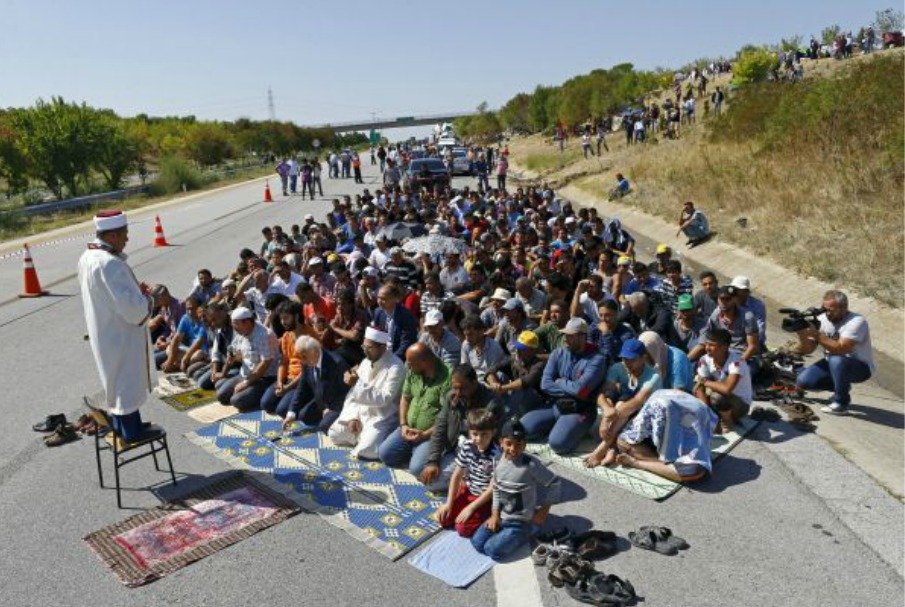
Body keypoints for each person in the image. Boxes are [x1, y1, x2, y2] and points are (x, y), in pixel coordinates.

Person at [78, 210, 155, 441]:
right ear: (111, 236)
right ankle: (131, 431)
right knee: (126, 383)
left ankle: (128, 425)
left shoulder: (88, 257)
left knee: (116, 381)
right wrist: (148, 300)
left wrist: (134, 293)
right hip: (119, 333)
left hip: (105, 331)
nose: (127, 239)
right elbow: (134, 311)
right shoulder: (109, 264)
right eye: (124, 234)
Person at [470, 418, 561, 561]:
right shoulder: (497, 460)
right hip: (501, 516)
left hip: (521, 522)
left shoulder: (530, 465)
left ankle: (528, 531)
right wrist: (494, 515)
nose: (513, 449)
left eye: (518, 444)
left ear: (525, 445)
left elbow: (555, 483)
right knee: (477, 543)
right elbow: (496, 489)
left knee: (492, 550)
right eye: (508, 443)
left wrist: (544, 510)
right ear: (501, 442)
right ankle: (504, 533)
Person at [522, 318, 607, 455]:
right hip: (556, 404)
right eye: (565, 335)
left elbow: (581, 391)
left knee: (557, 444)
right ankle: (558, 426)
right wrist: (572, 388)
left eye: (570, 336)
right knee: (522, 429)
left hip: (580, 409)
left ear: (582, 336)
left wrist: (560, 382)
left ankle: (574, 429)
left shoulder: (597, 359)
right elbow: (545, 384)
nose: (566, 339)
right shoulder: (558, 353)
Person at [420, 364, 503, 490]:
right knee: (420, 469)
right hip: (454, 446)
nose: (458, 393)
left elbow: (488, 441)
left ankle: (470, 481)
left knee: (432, 484)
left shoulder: (491, 404)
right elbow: (440, 428)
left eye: (463, 388)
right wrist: (433, 461)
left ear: (474, 383)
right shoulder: (452, 397)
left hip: (476, 454)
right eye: (455, 388)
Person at [794, 290, 875, 415]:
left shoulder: (857, 321)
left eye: (830, 310)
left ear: (843, 308)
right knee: (804, 381)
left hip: (860, 367)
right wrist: (802, 333)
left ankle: (841, 403)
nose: (827, 313)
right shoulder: (821, 319)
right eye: (824, 308)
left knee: (836, 358)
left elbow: (841, 349)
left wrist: (816, 334)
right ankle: (841, 386)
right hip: (833, 364)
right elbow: (808, 349)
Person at [329, 327, 405, 459]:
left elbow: (384, 398)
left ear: (382, 347)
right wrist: (353, 417)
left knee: (367, 450)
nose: (364, 350)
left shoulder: (396, 367)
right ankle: (362, 436)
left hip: (381, 418)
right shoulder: (365, 362)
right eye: (364, 346)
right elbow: (353, 395)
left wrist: (356, 383)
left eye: (368, 347)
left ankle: (368, 438)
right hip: (361, 413)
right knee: (334, 434)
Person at [584, 338, 661, 467]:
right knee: (613, 398)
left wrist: (607, 418)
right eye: (625, 358)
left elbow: (637, 402)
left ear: (643, 358)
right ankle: (612, 449)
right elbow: (603, 394)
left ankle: (604, 447)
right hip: (623, 414)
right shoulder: (618, 368)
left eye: (632, 359)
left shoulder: (653, 376)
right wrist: (606, 411)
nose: (627, 363)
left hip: (646, 415)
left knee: (623, 404)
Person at [378, 343, 452, 476]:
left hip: (430, 435)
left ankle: (425, 452)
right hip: (409, 429)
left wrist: (424, 435)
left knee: (417, 469)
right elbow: (405, 398)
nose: (408, 366)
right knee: (385, 454)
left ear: (424, 362)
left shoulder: (447, 377)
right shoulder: (413, 371)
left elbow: (448, 416)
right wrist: (403, 425)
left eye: (411, 363)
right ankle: (414, 450)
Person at [615, 389, 718, 482]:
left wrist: (635, 463)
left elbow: (688, 474)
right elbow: (630, 435)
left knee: (688, 470)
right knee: (624, 442)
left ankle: (655, 463)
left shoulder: (682, 419)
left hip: (681, 421)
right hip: (671, 413)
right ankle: (662, 460)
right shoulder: (655, 402)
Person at [436, 408, 500, 538]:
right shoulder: (467, 446)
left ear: (493, 433)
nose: (479, 439)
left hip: (484, 498)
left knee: (462, 529)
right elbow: (457, 475)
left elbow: (493, 488)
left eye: (484, 434)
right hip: (468, 490)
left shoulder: (496, 455)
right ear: (469, 432)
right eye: (475, 434)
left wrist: (470, 508)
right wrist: (449, 502)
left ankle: (490, 516)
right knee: (444, 518)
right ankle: (463, 510)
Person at [280, 336, 350, 433]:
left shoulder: (337, 363)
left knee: (324, 427)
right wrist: (291, 414)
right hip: (321, 399)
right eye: (300, 357)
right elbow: (302, 388)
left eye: (304, 357)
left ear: (315, 351)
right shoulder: (306, 362)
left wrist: (330, 409)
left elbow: (346, 393)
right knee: (302, 416)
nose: (302, 360)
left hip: (337, 404)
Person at [216, 307, 280, 411]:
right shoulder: (241, 331)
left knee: (236, 400)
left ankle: (264, 393)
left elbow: (265, 363)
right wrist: (232, 357)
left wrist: (246, 383)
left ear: (247, 322)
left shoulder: (265, 335)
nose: (234, 328)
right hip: (246, 373)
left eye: (236, 324)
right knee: (221, 394)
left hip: (264, 378)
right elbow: (234, 349)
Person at [694, 328, 753, 433]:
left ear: (724, 347)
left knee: (717, 397)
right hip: (719, 396)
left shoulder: (736, 362)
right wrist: (706, 413)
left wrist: (705, 382)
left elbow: (727, 389)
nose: (707, 348)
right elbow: (699, 385)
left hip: (740, 404)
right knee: (696, 389)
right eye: (707, 344)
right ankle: (710, 417)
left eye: (712, 345)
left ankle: (727, 421)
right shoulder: (704, 359)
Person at [260, 301, 310, 416]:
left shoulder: (309, 337)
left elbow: (307, 371)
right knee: (266, 404)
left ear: (296, 317)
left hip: (304, 381)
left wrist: (287, 388)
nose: (283, 322)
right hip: (289, 378)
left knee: (281, 411)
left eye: (286, 318)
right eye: (281, 319)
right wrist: (280, 382)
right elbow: (283, 361)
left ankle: (307, 400)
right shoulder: (287, 336)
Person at [689, 286, 758, 365]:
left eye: (727, 299)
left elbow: (752, 347)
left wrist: (738, 364)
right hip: (721, 350)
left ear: (735, 299)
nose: (723, 302)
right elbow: (705, 335)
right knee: (694, 348)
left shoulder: (747, 317)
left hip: (741, 353)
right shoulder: (716, 314)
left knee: (738, 373)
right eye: (721, 299)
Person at [485, 330, 547, 417]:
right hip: (518, 399)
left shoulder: (539, 364)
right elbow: (492, 369)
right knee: (499, 375)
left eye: (522, 349)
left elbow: (527, 381)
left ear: (532, 350)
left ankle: (508, 417)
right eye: (518, 348)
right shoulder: (515, 359)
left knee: (520, 390)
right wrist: (494, 383)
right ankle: (492, 412)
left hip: (536, 399)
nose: (518, 351)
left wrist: (503, 388)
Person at [372, 284, 419, 360]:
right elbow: (377, 335)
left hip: (399, 356)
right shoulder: (378, 312)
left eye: (384, 299)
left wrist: (393, 360)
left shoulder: (405, 316)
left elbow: (406, 342)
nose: (379, 302)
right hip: (383, 353)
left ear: (394, 299)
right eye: (378, 298)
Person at [460, 315, 506, 384]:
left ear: (481, 331)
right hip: (473, 381)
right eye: (465, 335)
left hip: (491, 380)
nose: (467, 338)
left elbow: (492, 373)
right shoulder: (466, 344)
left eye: (470, 334)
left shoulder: (493, 347)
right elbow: (465, 369)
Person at [730, 276, 767, 348]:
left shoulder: (757, 305)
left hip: (752, 343)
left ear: (746, 291)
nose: (735, 293)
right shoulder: (730, 302)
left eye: (737, 290)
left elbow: (760, 329)